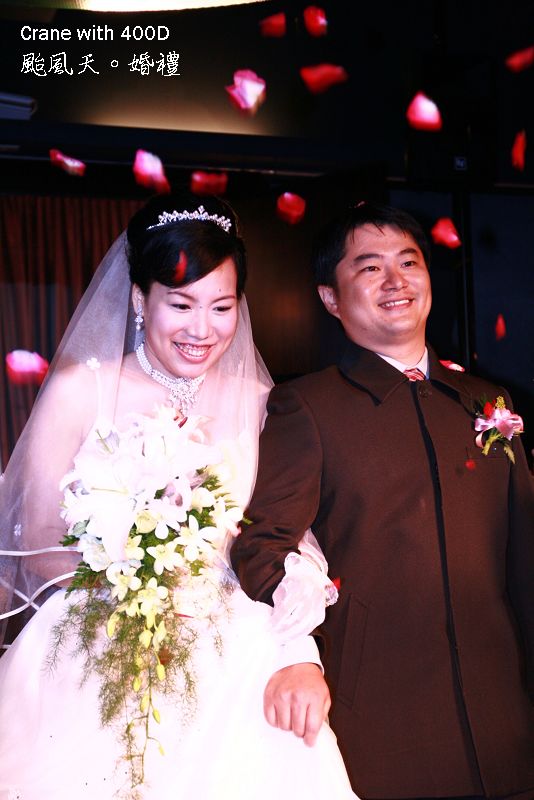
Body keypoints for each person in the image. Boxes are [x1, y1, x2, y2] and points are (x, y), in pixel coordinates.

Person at [0, 193, 358, 800]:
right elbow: (36, 536)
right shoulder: (80, 391)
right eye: (181, 304)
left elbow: (286, 540)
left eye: (221, 306)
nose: (202, 329)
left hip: (236, 651)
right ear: (141, 300)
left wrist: (299, 635)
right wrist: (125, 591)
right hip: (101, 644)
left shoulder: (262, 404)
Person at [232, 202, 534, 800]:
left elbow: (524, 561)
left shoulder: (486, 402)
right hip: (383, 730)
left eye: (408, 262)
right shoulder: (308, 407)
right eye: (370, 268)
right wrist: (307, 638)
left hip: (507, 726)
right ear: (330, 298)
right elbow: (262, 546)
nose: (395, 281)